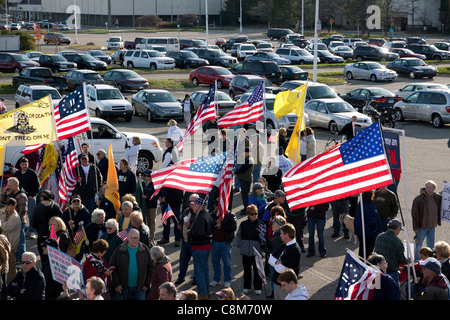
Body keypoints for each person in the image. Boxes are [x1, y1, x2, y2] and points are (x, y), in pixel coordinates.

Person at [109, 228, 154, 300]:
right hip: (124, 288)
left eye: (136, 238)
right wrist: (117, 284)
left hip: (140, 288)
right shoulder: (119, 250)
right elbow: (113, 268)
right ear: (128, 238)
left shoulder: (144, 249)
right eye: (132, 238)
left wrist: (147, 284)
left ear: (139, 237)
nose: (134, 240)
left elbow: (151, 267)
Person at [236, 204, 267, 295]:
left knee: (258, 271)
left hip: (256, 252)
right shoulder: (243, 224)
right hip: (245, 251)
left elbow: (264, 238)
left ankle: (258, 287)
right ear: (248, 214)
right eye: (252, 214)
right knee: (247, 270)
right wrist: (241, 245)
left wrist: (262, 248)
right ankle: (247, 286)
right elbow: (238, 236)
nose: (255, 215)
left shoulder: (261, 224)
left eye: (256, 213)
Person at [188, 197, 214, 300]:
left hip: (199, 247)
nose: (193, 206)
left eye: (194, 204)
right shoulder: (207, 215)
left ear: (199, 206)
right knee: (205, 270)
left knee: (199, 272)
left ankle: (203, 295)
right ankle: (206, 292)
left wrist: (190, 233)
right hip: (206, 246)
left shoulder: (200, 218)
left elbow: (199, 233)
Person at [269, 223, 302, 300]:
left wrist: (274, 262)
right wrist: (277, 262)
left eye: (281, 233)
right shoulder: (285, 244)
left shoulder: (294, 250)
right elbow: (270, 257)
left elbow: (281, 269)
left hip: (286, 287)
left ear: (286, 234)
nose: (280, 235)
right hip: (278, 284)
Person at [411, 180, 442, 261]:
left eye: (430, 188)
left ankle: (430, 260)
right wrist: (415, 227)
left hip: (432, 226)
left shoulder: (437, 197)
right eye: (427, 187)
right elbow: (415, 214)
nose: (428, 189)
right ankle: (417, 261)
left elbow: (445, 196)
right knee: (418, 245)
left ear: (433, 189)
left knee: (431, 246)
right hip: (421, 227)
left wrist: (446, 185)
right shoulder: (419, 199)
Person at [210, 198, 237, 288]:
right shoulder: (213, 215)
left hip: (225, 243)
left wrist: (222, 226)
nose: (214, 206)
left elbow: (233, 227)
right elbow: (209, 225)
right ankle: (216, 279)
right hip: (214, 242)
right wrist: (215, 223)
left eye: (216, 205)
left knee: (227, 262)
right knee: (215, 262)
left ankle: (227, 280)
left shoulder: (230, 215)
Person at [373, 218, 409, 286]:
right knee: (393, 294)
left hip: (376, 270)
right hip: (391, 273)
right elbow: (402, 261)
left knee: (376, 292)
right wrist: (408, 261)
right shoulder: (397, 242)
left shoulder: (379, 236)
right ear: (397, 228)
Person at [0, 177, 28, 263]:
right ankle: (13, 259)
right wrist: (4, 191)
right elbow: (1, 200)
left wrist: (15, 221)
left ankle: (21, 261)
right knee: (10, 241)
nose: (8, 186)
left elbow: (23, 211)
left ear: (16, 185)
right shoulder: (10, 194)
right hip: (10, 222)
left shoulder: (21, 196)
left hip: (19, 222)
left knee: (20, 243)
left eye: (9, 185)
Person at [31, 189, 63, 261]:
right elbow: (61, 220)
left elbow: (33, 223)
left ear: (42, 198)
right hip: (55, 237)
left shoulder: (37, 208)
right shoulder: (56, 207)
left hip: (42, 235)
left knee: (43, 257)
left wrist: (39, 229)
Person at [175, 193, 199, 285]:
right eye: (190, 201)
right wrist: (180, 224)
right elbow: (182, 220)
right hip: (185, 242)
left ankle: (196, 278)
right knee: (183, 261)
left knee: (196, 263)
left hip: (194, 243)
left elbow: (200, 229)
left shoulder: (199, 214)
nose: (192, 203)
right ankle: (181, 277)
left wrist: (189, 227)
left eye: (194, 202)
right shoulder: (186, 211)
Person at [13, 157, 40, 240]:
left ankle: (32, 231)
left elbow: (37, 186)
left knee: (31, 215)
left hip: (30, 197)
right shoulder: (17, 174)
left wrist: (32, 195)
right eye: (23, 164)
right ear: (20, 165)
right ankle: (21, 231)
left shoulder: (32, 173)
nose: (25, 166)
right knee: (19, 214)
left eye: (26, 164)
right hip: (19, 198)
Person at [354, 190, 382, 259]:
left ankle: (361, 263)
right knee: (368, 252)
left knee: (362, 250)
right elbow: (372, 221)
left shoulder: (361, 204)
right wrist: (376, 230)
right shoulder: (369, 207)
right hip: (369, 233)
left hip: (361, 232)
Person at [0, 198, 21, 285]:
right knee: (5, 266)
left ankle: (12, 285)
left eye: (8, 205)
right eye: (5, 204)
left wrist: (1, 220)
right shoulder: (7, 214)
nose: (6, 206)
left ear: (14, 206)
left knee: (11, 267)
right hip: (5, 243)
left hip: (11, 245)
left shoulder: (15, 217)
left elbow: (6, 228)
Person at [139, 170, 158, 242]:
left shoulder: (154, 184)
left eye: (148, 176)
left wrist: (147, 196)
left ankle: (152, 236)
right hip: (145, 205)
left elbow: (155, 195)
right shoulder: (143, 184)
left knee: (152, 220)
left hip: (152, 204)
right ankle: (148, 234)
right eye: (145, 176)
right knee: (146, 220)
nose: (146, 177)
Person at [234, 147, 254, 215]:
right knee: (244, 195)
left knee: (245, 196)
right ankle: (246, 208)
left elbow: (243, 169)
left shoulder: (249, 160)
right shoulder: (247, 159)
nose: (243, 154)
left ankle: (247, 209)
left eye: (244, 152)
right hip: (245, 179)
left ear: (248, 153)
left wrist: (236, 172)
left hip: (246, 180)